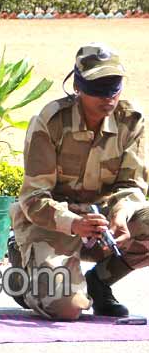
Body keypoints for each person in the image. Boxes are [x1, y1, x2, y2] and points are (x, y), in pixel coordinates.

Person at [9, 43, 149, 320]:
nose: (108, 96)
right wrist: (74, 223)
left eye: (114, 86)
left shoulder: (130, 122)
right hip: (52, 222)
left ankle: (100, 282)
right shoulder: (51, 122)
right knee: (67, 309)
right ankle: (22, 270)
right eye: (98, 87)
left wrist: (121, 214)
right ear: (77, 86)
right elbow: (33, 198)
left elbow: (132, 185)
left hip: (103, 219)